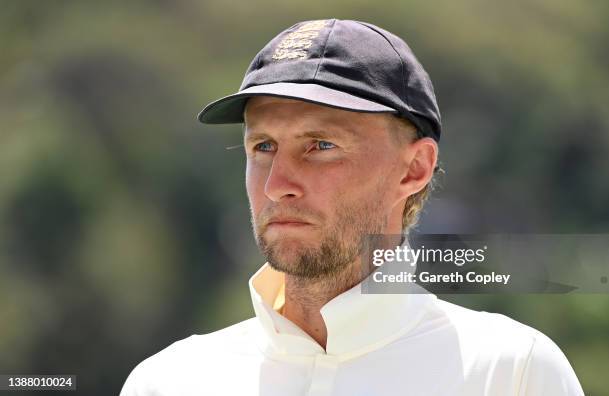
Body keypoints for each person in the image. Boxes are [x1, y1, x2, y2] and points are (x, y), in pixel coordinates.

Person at [120, 19, 584, 395]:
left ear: (414, 169)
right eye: (262, 146)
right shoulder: (168, 381)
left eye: (320, 145)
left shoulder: (512, 372)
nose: (278, 184)